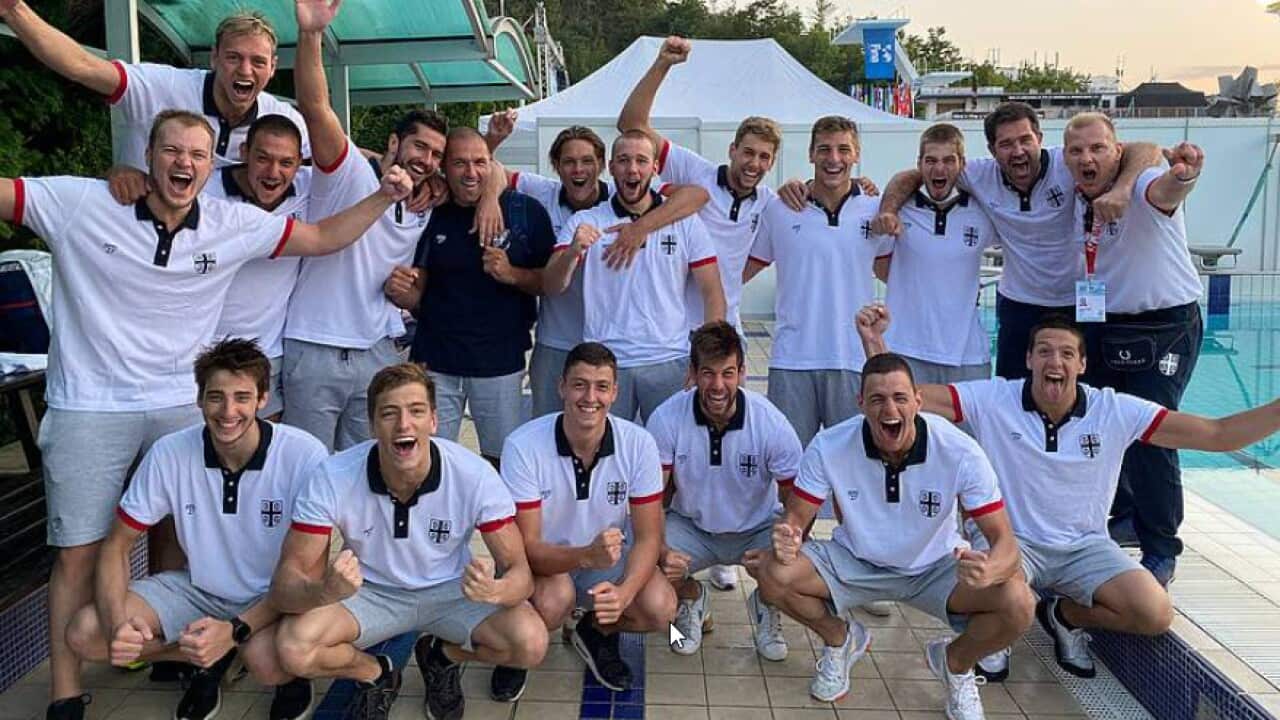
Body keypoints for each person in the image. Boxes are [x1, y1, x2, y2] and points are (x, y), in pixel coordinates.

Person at [0, 109, 412, 720]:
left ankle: (196, 659)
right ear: (148, 155)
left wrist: (383, 195)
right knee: (77, 552)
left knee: (178, 533)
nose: (184, 163)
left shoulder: (229, 223)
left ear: (211, 162)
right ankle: (65, 693)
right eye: (172, 151)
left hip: (182, 401)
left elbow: (325, 237)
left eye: (197, 154)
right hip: (90, 400)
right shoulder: (83, 203)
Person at [856, 304, 1280, 682]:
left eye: (1065, 353)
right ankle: (994, 635)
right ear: (1028, 360)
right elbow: (909, 399)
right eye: (1044, 351)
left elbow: (1217, 434)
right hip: (1013, 544)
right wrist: (875, 344)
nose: (1054, 361)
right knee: (998, 590)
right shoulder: (993, 399)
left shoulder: (1115, 410)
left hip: (1085, 547)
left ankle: (1063, 616)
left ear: (1082, 364)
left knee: (1155, 612)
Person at [752, 353, 1033, 719]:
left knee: (1019, 602)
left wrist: (991, 569)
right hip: (855, 561)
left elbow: (1006, 543)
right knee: (772, 573)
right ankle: (840, 638)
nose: (890, 410)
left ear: (918, 400)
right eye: (877, 399)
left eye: (900, 398)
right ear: (860, 403)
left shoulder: (959, 450)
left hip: (935, 567)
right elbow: (795, 518)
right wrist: (786, 538)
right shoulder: (830, 445)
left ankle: (955, 664)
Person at [63, 339, 327, 720]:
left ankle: (269, 669)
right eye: (216, 397)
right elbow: (117, 545)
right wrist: (119, 625)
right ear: (199, 399)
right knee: (86, 632)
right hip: (200, 590)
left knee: (268, 661)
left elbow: (309, 572)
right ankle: (206, 658)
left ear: (263, 399)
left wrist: (234, 630)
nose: (228, 411)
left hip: (273, 595)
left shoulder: (304, 455)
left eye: (242, 397)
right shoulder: (170, 453)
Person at [270, 364, 546, 720]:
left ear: (434, 420)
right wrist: (325, 590)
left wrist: (498, 590)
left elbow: (520, 574)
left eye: (416, 411)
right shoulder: (333, 475)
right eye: (389, 413)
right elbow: (285, 588)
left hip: (451, 591)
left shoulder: (473, 474)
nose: (404, 425)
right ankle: (376, 673)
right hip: (370, 593)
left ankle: (441, 656)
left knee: (530, 643)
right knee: (293, 648)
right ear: (372, 425)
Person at [283, 0, 499, 452]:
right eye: (419, 147)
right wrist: (311, 35)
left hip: (378, 351)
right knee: (305, 469)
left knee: (371, 470)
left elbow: (486, 171)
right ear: (394, 142)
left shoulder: (427, 200)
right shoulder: (347, 173)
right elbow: (316, 107)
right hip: (316, 346)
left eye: (435, 155)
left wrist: (489, 191)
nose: (426, 159)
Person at [872, 101, 1159, 380]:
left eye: (1025, 140)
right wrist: (887, 209)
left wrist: (1122, 189)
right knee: (1011, 395)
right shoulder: (979, 175)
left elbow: (1147, 150)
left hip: (1076, 302)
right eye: (1006, 144)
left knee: (1080, 390)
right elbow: (912, 176)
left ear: (1039, 139)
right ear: (992, 150)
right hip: (1019, 305)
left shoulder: (1068, 163)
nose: (1018, 151)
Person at [483, 116, 711, 419]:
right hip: (560, 339)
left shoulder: (622, 193)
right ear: (556, 166)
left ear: (603, 166)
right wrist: (490, 198)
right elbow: (489, 170)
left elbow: (697, 194)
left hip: (615, 348)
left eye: (587, 161)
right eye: (569, 162)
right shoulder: (546, 193)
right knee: (557, 428)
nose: (578, 169)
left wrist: (639, 228)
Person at [1062, 113, 1207, 586]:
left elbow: (1166, 185)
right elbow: (1143, 145)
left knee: (1153, 431)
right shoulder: (1075, 194)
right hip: (1105, 324)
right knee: (1102, 425)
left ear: (1116, 151)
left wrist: (1183, 176)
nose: (1087, 158)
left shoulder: (1142, 183)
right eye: (1076, 151)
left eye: (1098, 148)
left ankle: (1161, 547)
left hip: (1165, 323)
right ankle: (1123, 517)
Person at [499, 342, 675, 696]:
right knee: (554, 601)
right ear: (562, 387)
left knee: (661, 607)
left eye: (601, 387)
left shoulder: (639, 443)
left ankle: (596, 630)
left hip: (604, 561)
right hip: (546, 566)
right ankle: (514, 655)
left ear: (615, 393)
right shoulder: (523, 446)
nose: (590, 397)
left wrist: (624, 594)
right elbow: (527, 548)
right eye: (579, 385)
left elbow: (648, 538)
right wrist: (584, 556)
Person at [383, 127, 555, 465]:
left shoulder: (525, 212)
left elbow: (548, 283)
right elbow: (419, 292)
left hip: (499, 363)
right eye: (460, 163)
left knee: (503, 460)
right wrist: (402, 293)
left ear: (492, 163)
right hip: (436, 362)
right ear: (443, 168)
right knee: (433, 459)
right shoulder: (429, 210)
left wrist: (512, 274)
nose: (471, 172)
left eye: (479, 162)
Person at [0, 1, 308, 187]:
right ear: (214, 57)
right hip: (135, 238)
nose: (245, 70)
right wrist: (14, 9)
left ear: (273, 68)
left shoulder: (282, 121)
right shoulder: (162, 86)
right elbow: (81, 66)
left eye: (258, 62)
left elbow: (331, 158)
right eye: (233, 57)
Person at [543, 130, 726, 422]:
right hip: (605, 363)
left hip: (669, 359)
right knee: (608, 448)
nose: (632, 169)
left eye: (641, 160)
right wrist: (572, 252)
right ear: (611, 167)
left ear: (655, 167)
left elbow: (712, 292)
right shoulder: (586, 221)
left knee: (673, 446)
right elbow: (552, 286)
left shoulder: (685, 223)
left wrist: (708, 359)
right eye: (624, 160)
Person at [646, 321, 803, 660]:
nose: (718, 385)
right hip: (691, 527)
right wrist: (660, 550)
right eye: (708, 373)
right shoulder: (666, 418)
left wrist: (787, 542)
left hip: (757, 528)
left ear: (742, 373)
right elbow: (652, 501)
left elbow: (796, 502)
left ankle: (767, 605)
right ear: (692, 373)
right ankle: (690, 600)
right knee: (644, 568)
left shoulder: (770, 422)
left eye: (728, 373)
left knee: (795, 567)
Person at [741, 115, 891, 448]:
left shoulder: (875, 209)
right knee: (789, 462)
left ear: (856, 154)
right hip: (792, 359)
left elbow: (894, 273)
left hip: (852, 358)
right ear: (810, 154)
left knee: (851, 462)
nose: (833, 158)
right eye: (824, 149)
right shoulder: (780, 209)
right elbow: (739, 272)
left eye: (843, 150)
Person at [203, 114, 312, 419]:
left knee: (264, 442)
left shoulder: (311, 185)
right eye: (263, 158)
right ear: (244, 152)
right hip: (202, 350)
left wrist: (429, 179)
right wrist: (124, 173)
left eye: (286, 162)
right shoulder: (204, 188)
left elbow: (355, 163)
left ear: (300, 163)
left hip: (267, 353)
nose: (273, 172)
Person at [881, 122, 996, 383]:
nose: (939, 169)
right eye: (931, 160)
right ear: (919, 164)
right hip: (904, 349)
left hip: (968, 355)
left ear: (962, 164)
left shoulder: (983, 212)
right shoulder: (898, 209)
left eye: (948, 160)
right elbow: (879, 265)